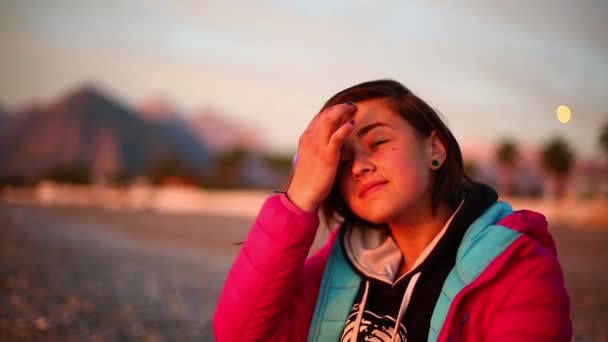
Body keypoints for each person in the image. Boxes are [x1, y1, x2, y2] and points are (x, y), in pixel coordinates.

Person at [213, 80, 572, 341]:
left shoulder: (520, 271)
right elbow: (238, 334)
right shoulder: (342, 263)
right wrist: (299, 199)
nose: (358, 167)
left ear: (436, 148)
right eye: (343, 159)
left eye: (379, 142)